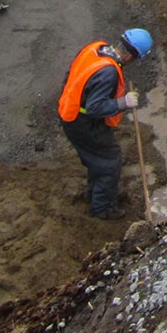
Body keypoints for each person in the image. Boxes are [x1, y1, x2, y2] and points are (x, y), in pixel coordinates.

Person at [57, 29, 154, 220]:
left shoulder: (94, 48)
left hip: (70, 110)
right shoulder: (108, 72)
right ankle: (102, 209)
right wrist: (123, 103)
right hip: (82, 122)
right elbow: (95, 107)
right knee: (109, 162)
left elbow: (71, 76)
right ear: (129, 55)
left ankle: (93, 195)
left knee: (97, 159)